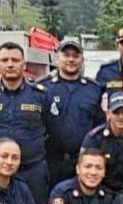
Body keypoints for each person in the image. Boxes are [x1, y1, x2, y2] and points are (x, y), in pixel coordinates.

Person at [0, 42, 54, 204]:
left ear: (23, 64)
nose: (10, 64)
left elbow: (52, 131)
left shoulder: (40, 95)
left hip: (33, 170)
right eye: (5, 60)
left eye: (15, 60)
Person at [39, 39, 105, 186]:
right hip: (51, 162)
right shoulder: (43, 88)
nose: (70, 59)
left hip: (83, 162)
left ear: (82, 59)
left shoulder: (94, 89)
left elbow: (100, 126)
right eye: (66, 55)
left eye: (75, 56)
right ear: (57, 57)